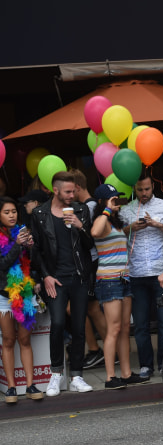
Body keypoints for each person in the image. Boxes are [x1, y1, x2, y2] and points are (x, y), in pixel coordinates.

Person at [30, 171, 94, 396]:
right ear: (55, 190)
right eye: (67, 191)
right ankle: (55, 373)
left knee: (78, 327)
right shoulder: (39, 214)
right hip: (55, 280)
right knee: (57, 324)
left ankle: (77, 375)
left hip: (78, 277)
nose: (72, 194)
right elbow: (35, 249)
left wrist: (79, 225)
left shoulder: (81, 210)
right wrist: (45, 275)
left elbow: (89, 244)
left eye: (74, 190)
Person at [90, 184, 145, 389]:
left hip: (124, 279)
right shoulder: (101, 221)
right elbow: (95, 232)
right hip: (109, 280)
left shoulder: (115, 223)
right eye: (112, 200)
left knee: (123, 328)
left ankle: (126, 373)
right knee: (113, 329)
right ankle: (110, 378)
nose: (116, 203)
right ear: (102, 202)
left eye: (117, 200)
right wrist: (106, 210)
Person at [120, 172, 163, 380]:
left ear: (154, 187)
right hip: (136, 274)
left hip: (161, 274)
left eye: (147, 189)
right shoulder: (127, 210)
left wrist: (158, 225)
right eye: (140, 190)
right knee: (140, 324)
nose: (144, 193)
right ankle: (145, 366)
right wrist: (130, 229)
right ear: (134, 189)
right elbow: (115, 237)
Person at [0, 197, 44, 403]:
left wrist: (32, 246)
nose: (11, 215)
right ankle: (11, 388)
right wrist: (18, 246)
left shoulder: (22, 231)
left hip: (25, 294)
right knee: (8, 340)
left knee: (25, 340)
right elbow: (3, 265)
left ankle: (30, 384)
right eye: (6, 212)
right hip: (4, 296)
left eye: (13, 212)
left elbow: (32, 262)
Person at [70, 168, 108, 370]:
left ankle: (102, 350)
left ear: (77, 187)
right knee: (85, 308)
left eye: (70, 190)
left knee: (91, 308)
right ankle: (101, 349)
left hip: (93, 261)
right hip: (89, 262)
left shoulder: (91, 206)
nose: (68, 194)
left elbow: (92, 236)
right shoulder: (86, 205)